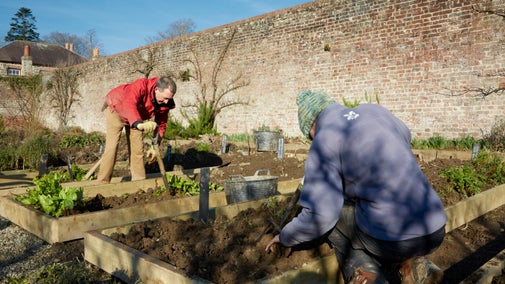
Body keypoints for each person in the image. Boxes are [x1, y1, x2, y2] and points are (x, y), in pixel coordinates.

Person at [266, 90, 447, 284]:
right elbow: (405, 135)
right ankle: (416, 266)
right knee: (372, 211)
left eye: (309, 135)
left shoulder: (324, 138)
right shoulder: (376, 112)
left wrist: (285, 236)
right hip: (434, 226)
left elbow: (320, 216)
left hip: (395, 239)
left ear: (312, 125)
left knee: (333, 223)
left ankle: (367, 276)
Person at [96, 76, 177, 183]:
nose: (167, 102)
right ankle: (102, 182)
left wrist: (154, 145)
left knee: (137, 149)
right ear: (157, 89)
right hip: (116, 109)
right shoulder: (141, 85)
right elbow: (129, 103)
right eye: (165, 98)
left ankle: (139, 182)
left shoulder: (165, 103)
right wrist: (138, 124)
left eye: (169, 99)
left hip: (136, 117)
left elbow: (161, 124)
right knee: (112, 147)